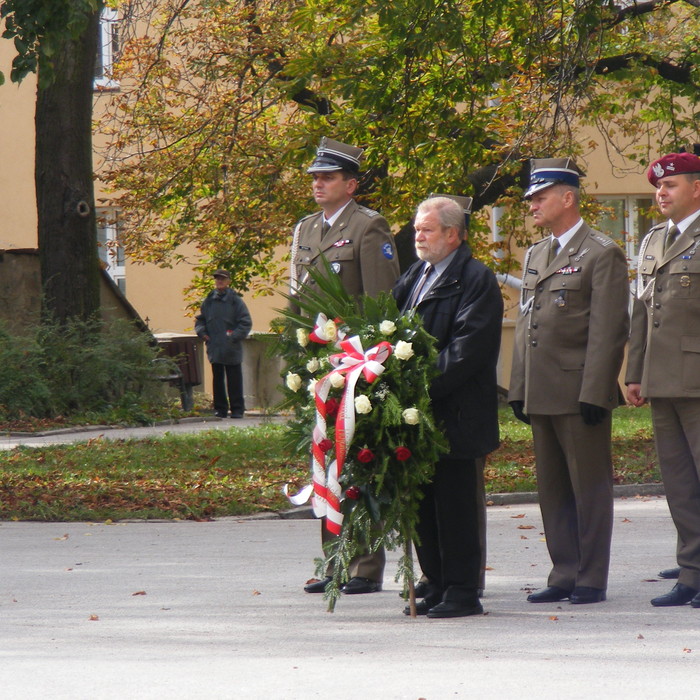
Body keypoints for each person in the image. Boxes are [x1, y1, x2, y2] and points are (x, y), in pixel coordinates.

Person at [509, 157, 629, 605]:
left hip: (580, 390)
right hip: (541, 389)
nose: (533, 206)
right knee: (552, 488)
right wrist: (518, 386)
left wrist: (597, 389)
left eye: (540, 197)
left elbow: (609, 328)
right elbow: (526, 326)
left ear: (567, 197)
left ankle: (591, 576)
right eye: (531, 199)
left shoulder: (602, 252)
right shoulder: (538, 253)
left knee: (589, 488)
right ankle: (563, 571)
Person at [292, 136, 400, 595]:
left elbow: (382, 303)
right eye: (315, 176)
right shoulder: (305, 230)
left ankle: (365, 567)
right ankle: (334, 561)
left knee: (358, 460)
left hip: (356, 364)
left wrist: (373, 364)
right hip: (318, 365)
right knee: (324, 462)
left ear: (351, 184)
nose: (318, 183)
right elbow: (298, 300)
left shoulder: (369, 227)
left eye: (328, 177)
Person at [393, 196, 503, 618]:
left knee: (456, 507)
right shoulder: (415, 275)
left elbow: (467, 350)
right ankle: (436, 581)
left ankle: (462, 590)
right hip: (418, 414)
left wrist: (419, 386)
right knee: (423, 504)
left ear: (453, 234)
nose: (418, 236)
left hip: (456, 412)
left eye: (427, 230)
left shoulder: (475, 278)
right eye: (417, 229)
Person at [626, 150, 700, 608]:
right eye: (658, 186)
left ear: (697, 187)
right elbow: (641, 311)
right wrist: (634, 373)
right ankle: (691, 573)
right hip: (660, 379)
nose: (661, 193)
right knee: (678, 483)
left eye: (670, 185)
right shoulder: (653, 240)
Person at [195, 269, 252, 419]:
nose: (219, 281)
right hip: (215, 346)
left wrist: (233, 336)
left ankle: (237, 410)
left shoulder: (235, 301)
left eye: (222, 279)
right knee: (217, 380)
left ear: (228, 281)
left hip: (231, 347)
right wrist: (202, 333)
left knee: (234, 379)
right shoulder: (209, 300)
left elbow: (245, 322)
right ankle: (220, 409)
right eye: (217, 279)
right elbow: (201, 320)